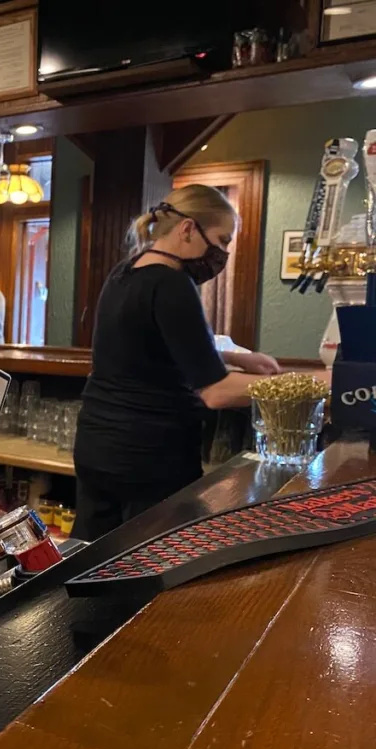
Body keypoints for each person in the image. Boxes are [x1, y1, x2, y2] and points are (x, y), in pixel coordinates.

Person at [73, 184, 315, 541]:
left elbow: (147, 347)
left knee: (89, 554)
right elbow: (216, 393)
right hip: (150, 454)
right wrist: (317, 382)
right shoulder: (172, 284)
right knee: (152, 564)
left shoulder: (126, 272)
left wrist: (235, 357)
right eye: (222, 239)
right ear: (187, 229)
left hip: (97, 443)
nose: (222, 252)